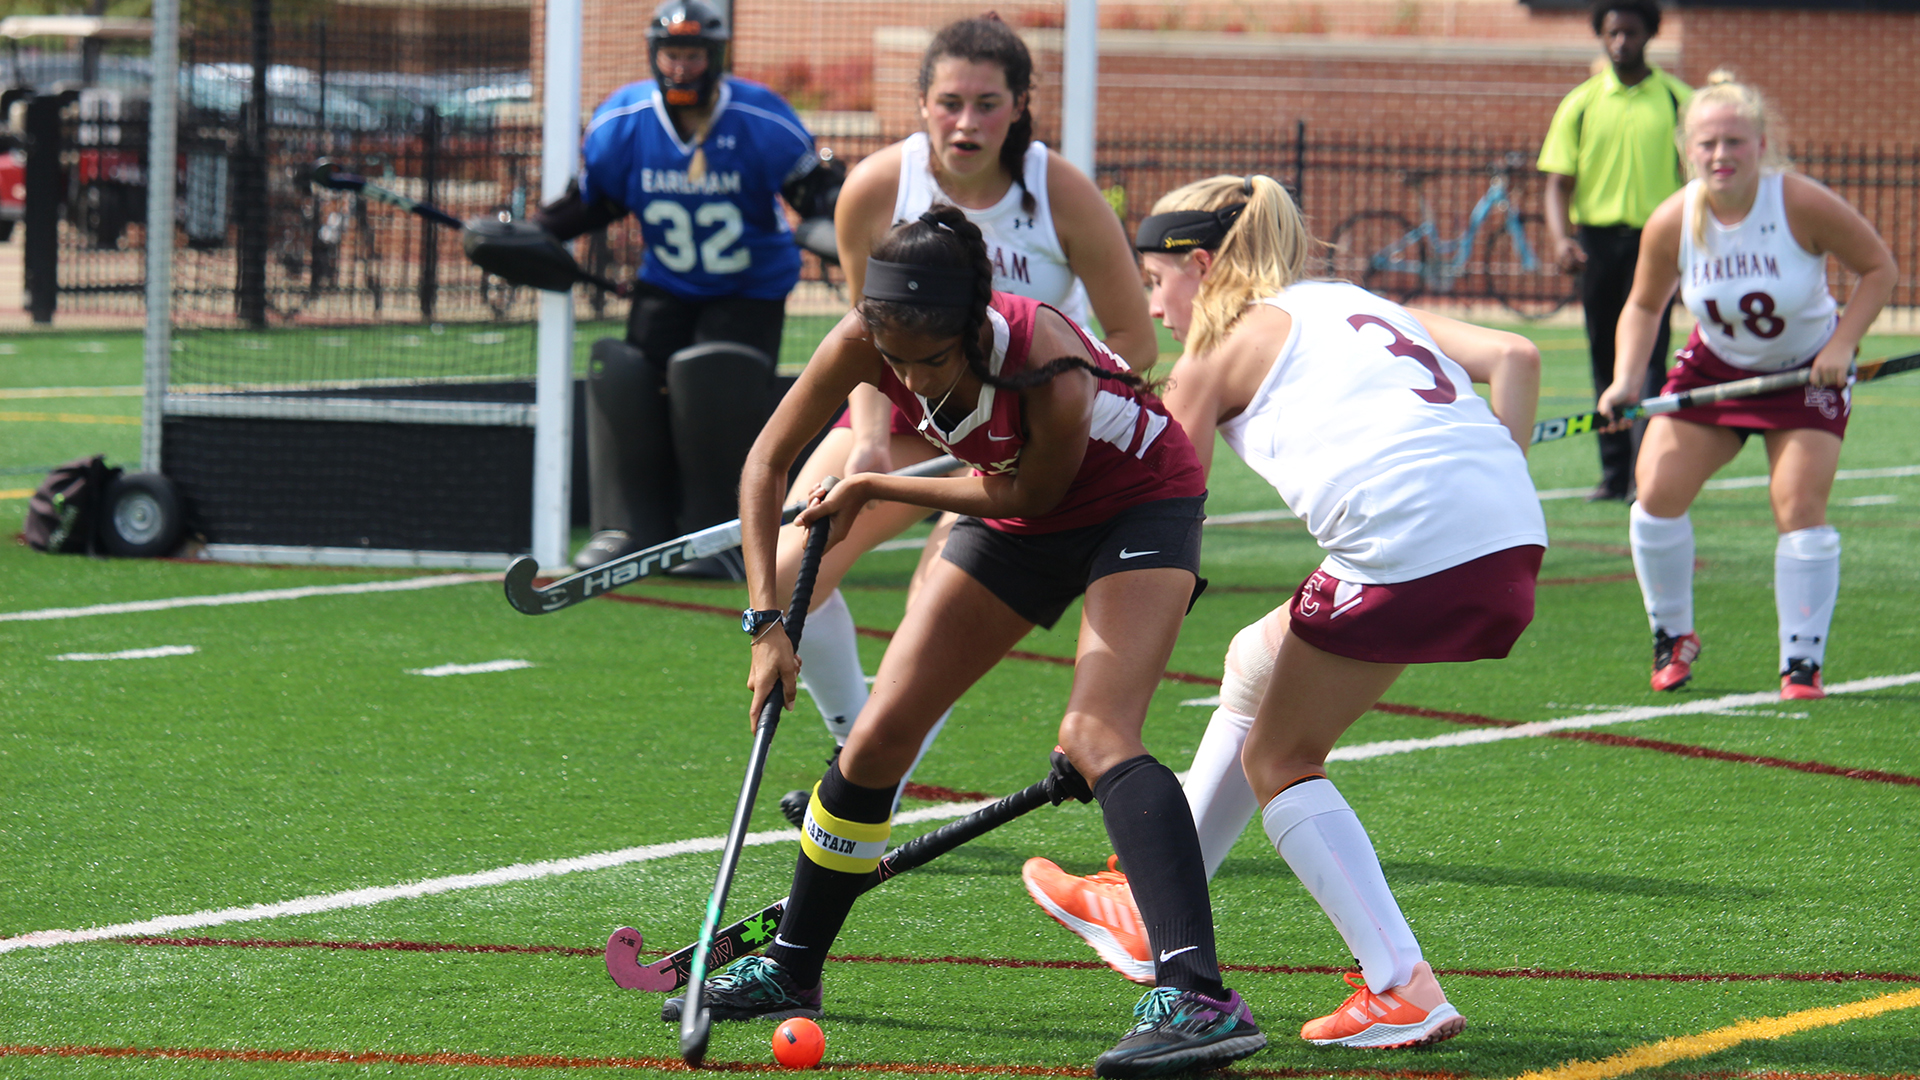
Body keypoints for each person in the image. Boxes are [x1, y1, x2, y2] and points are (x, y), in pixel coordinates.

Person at [665, 206, 1265, 1079]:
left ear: (975, 325)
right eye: (894, 358)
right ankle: (793, 967)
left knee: (1096, 736)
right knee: (876, 738)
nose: (911, 377)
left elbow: (1038, 498)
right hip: (1009, 496)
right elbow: (765, 464)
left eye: (932, 361)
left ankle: (1199, 997)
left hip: (1133, 501)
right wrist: (768, 625)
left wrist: (870, 482)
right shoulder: (866, 341)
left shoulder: (1047, 363)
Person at [1022, 176, 1547, 1050]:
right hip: (1510, 535)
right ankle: (1145, 906)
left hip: (1405, 545)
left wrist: (1104, 714)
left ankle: (1401, 985)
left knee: (1283, 757)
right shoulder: (1345, 298)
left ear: (1200, 266)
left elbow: (1157, 516)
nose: (1156, 306)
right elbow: (1518, 357)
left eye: (1158, 282)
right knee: (1254, 660)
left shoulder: (1216, 354)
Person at [769, 14, 1155, 818]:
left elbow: (1135, 342)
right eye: (950, 102)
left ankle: (864, 778)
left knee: (934, 606)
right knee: (786, 570)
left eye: (987, 104)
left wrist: (1028, 405)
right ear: (920, 104)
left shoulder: (1060, 193)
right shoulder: (876, 188)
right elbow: (869, 337)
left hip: (1020, 437)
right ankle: (858, 745)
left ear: (1020, 106)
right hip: (906, 412)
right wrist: (871, 443)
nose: (966, 122)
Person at [1597, 72, 1894, 698]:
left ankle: (1801, 662)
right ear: (1688, 150)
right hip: (1716, 368)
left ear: (1761, 144)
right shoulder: (1674, 218)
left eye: (1734, 141)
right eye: (1707, 144)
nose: (1720, 155)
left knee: (1798, 506)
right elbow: (1644, 305)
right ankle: (1671, 635)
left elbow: (1878, 269)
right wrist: (1627, 379)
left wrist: (1842, 346)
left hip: (1804, 369)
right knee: (1655, 493)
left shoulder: (1798, 204)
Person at [532, 0, 844, 574]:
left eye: (694, 54)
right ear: (656, 55)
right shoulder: (621, 122)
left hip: (749, 287)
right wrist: (533, 234)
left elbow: (818, 195)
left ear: (715, 57)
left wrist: (837, 227)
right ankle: (630, 527)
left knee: (714, 381)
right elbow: (595, 203)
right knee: (625, 377)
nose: (682, 66)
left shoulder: (761, 119)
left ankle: (720, 536)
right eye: (673, 53)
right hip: (667, 282)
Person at [1538, 0, 1692, 502]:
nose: (1621, 42)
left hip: (1658, 243)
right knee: (1604, 355)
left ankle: (1643, 473)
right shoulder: (1580, 103)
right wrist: (1563, 239)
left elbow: (1699, 184)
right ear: (1601, 37)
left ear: (1650, 34)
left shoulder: (1678, 102)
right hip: (1597, 244)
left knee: (1649, 357)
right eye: (1612, 33)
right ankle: (1613, 472)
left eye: (1630, 32)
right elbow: (1558, 183)